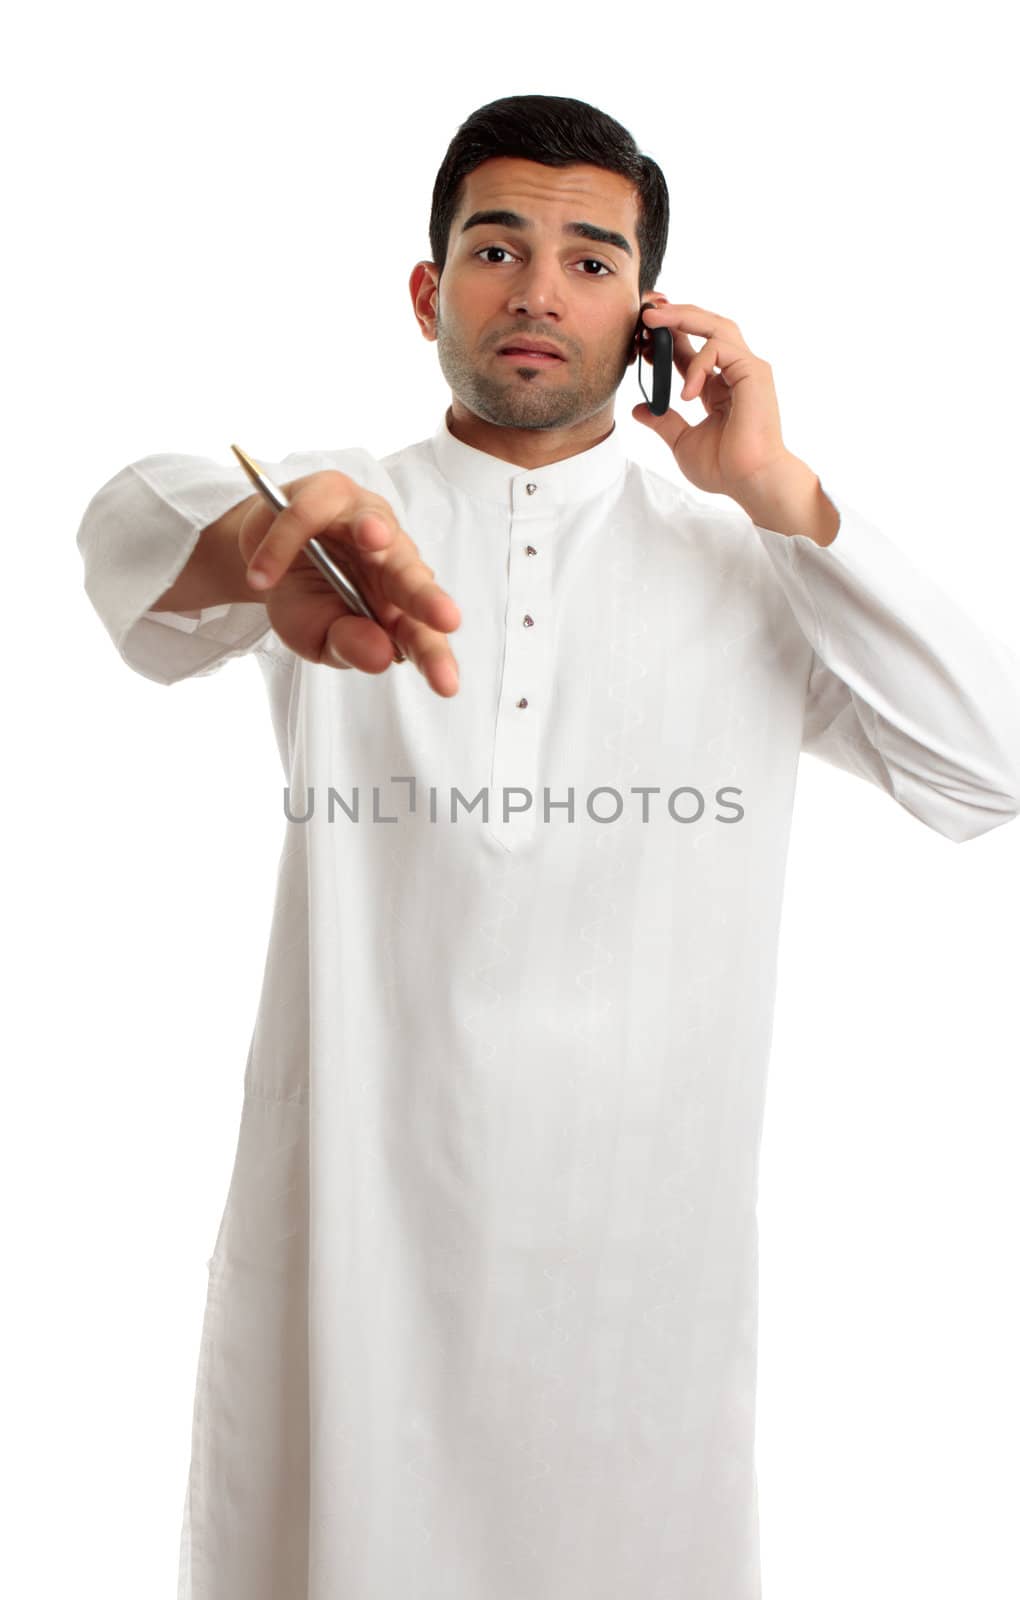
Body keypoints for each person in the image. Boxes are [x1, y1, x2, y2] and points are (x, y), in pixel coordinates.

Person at [76, 93, 1020, 1600]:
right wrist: (259, 544)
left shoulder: (746, 563)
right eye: (496, 246)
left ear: (649, 318)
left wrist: (783, 497)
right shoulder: (340, 514)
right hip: (355, 1233)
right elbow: (130, 540)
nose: (535, 290)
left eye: (591, 260)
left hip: (640, 1273)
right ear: (428, 290)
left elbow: (987, 769)